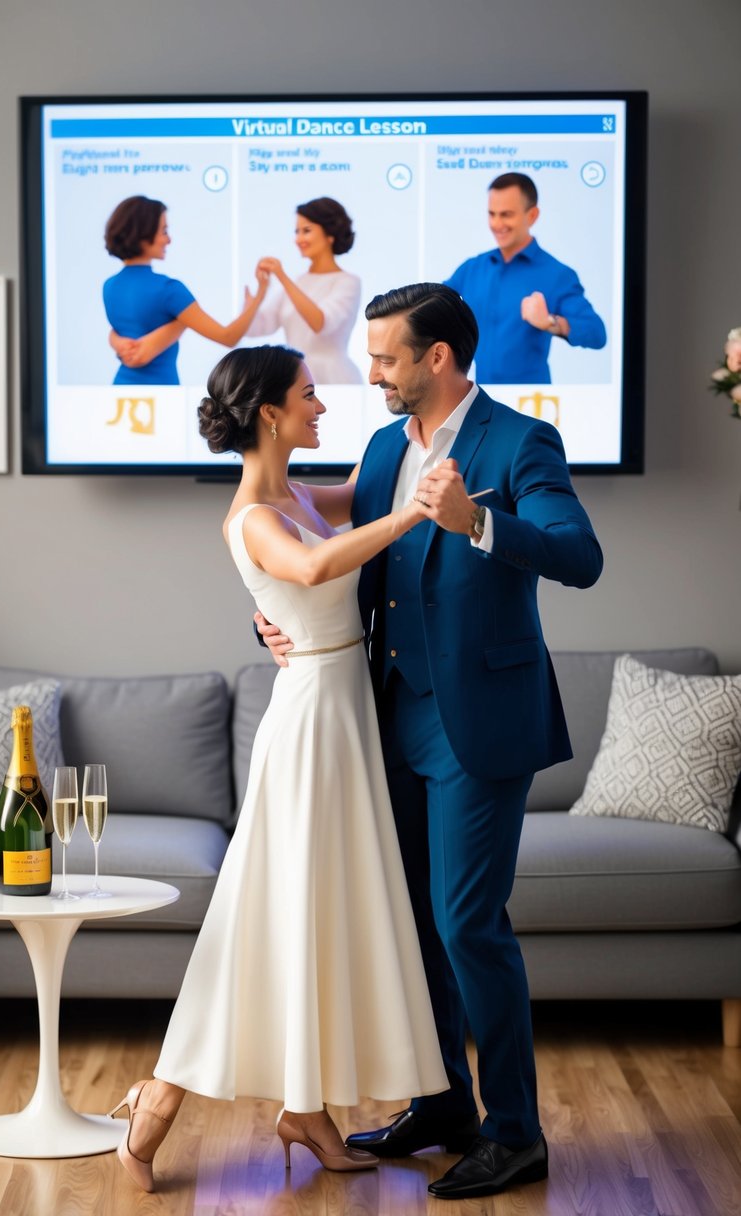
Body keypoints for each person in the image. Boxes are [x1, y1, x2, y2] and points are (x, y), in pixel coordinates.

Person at [258, 283, 604, 1200]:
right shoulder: (380, 447)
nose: (369, 371)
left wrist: (478, 521)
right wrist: (275, 616)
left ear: (437, 358)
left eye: (384, 358)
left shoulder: (518, 440)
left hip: (480, 725)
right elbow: (329, 537)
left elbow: (580, 556)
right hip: (388, 715)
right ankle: (446, 1105)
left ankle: (517, 1132)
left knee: (466, 924)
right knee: (413, 928)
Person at [107, 344, 448, 1193]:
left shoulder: (296, 492)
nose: (321, 402)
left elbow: (353, 510)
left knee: (314, 917)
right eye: (306, 393)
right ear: (268, 412)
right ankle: (152, 1113)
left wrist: (421, 476)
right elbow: (311, 566)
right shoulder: (253, 515)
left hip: (341, 715)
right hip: (306, 731)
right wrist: (416, 516)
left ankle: (306, 1109)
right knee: (264, 916)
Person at [445, 172, 606, 384]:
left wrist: (550, 322)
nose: (496, 223)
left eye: (506, 214)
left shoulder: (557, 275)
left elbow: (596, 333)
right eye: (492, 214)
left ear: (532, 215)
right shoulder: (472, 269)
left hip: (531, 403)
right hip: (482, 400)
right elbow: (431, 309)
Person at [102, 194, 268, 384]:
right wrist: (258, 298)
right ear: (143, 234)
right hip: (161, 394)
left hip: (120, 390)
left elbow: (121, 332)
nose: (169, 240)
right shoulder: (169, 290)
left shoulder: (109, 286)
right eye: (163, 231)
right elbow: (228, 337)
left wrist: (114, 339)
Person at [248, 197, 363, 383]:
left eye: (306, 231)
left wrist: (282, 276)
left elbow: (320, 323)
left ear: (329, 234)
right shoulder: (297, 283)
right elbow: (257, 328)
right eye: (297, 232)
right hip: (296, 378)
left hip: (334, 380)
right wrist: (259, 295)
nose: (298, 239)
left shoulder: (348, 282)